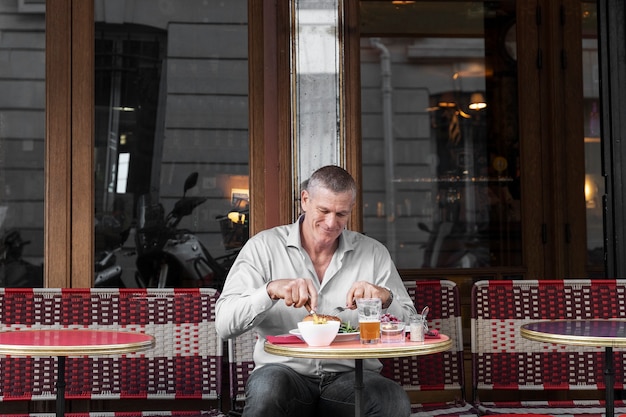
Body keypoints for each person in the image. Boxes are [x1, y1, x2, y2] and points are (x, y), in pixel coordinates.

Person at [216, 165, 416, 417]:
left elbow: (414, 325)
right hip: (284, 372)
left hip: (353, 376)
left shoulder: (374, 253)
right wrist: (269, 291)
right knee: (267, 389)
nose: (332, 223)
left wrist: (386, 299)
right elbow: (224, 325)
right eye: (323, 211)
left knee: (392, 400)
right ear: (305, 200)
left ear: (351, 209)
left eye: (341, 214)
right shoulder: (263, 247)